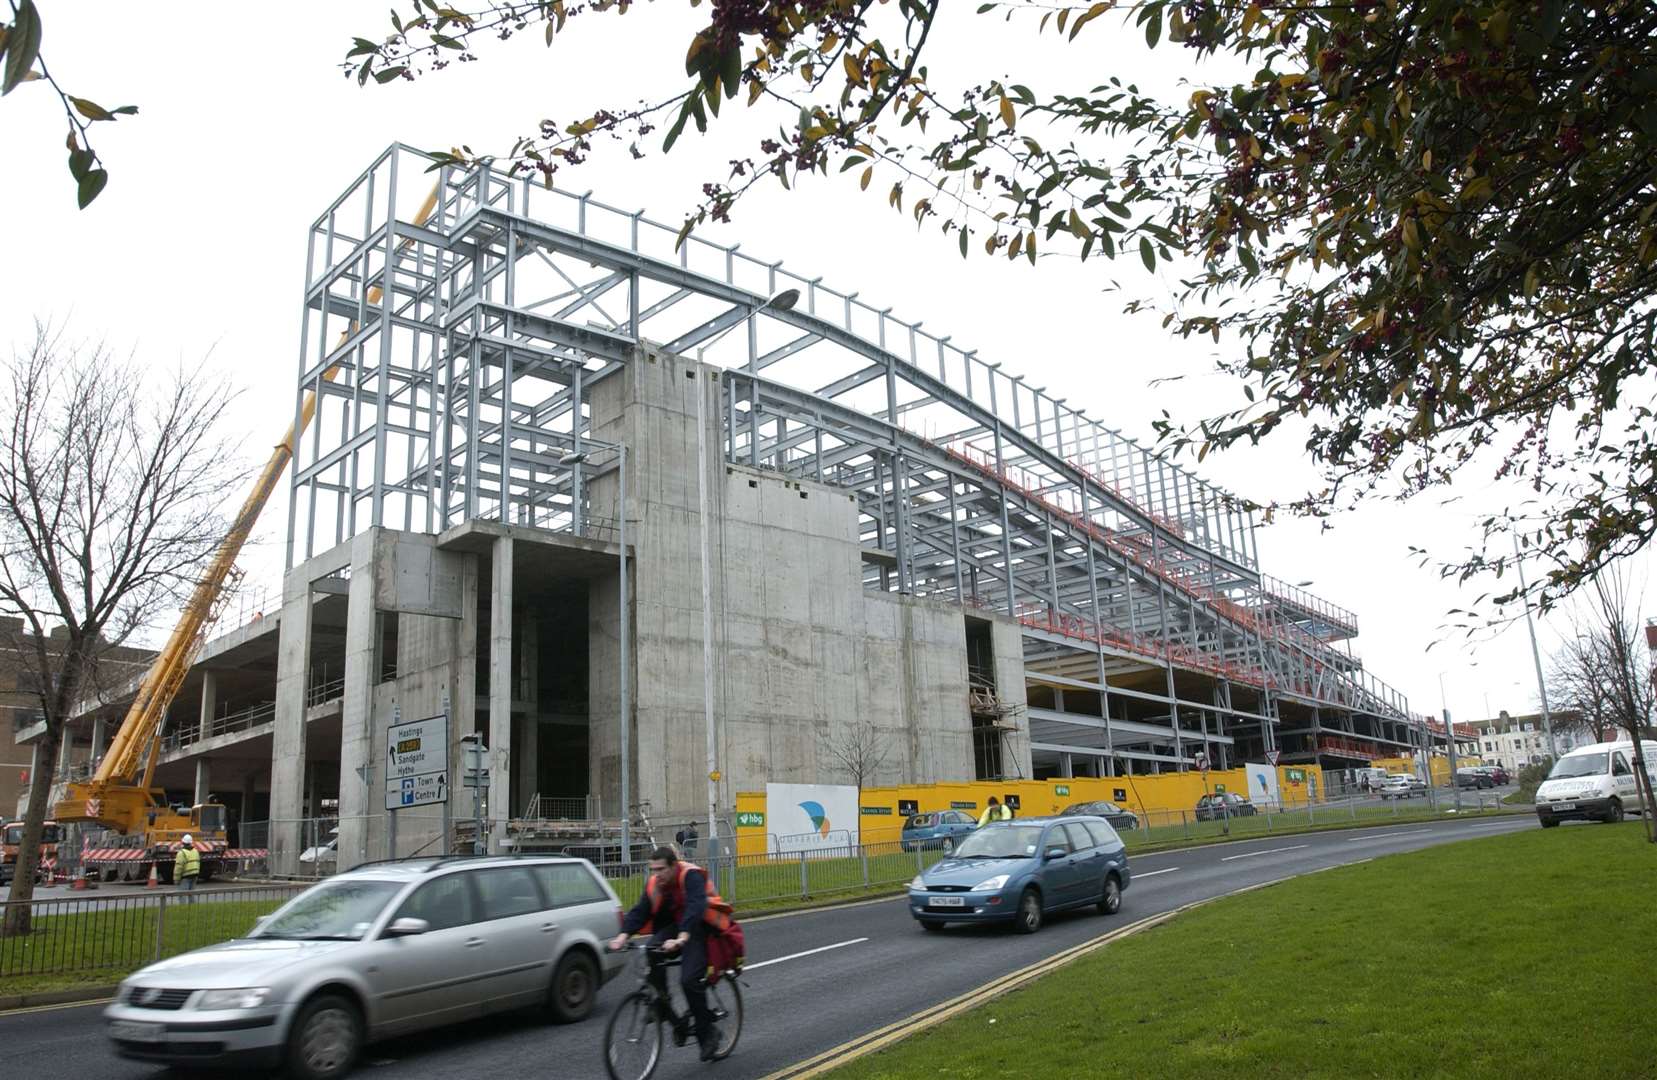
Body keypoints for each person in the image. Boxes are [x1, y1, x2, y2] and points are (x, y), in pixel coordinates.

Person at [609, 846, 732, 1061]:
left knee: (689, 980)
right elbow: (640, 910)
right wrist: (623, 935)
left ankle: (708, 1034)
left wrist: (683, 937)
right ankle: (662, 1002)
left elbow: (696, 906)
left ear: (674, 866)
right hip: (675, 926)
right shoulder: (656, 884)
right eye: (653, 870)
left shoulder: (690, 875)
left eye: (661, 869)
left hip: (698, 927)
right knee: (651, 949)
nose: (657, 874)